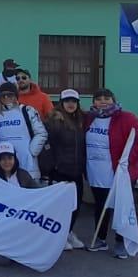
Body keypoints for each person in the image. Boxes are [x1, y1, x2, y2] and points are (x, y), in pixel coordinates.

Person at [84, 88, 138, 260]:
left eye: (107, 98)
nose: (103, 101)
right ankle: (100, 238)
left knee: (121, 207)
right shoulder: (89, 119)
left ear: (113, 100)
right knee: (100, 206)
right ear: (94, 102)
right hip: (96, 172)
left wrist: (127, 160)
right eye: (98, 99)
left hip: (120, 173)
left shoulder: (127, 118)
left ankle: (121, 241)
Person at [39, 88, 88, 251]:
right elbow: (46, 145)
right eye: (67, 101)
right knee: (61, 206)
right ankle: (58, 234)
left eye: (73, 101)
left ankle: (68, 231)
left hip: (77, 169)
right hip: (60, 170)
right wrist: (51, 166)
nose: (70, 104)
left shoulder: (81, 120)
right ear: (61, 103)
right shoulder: (54, 121)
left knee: (76, 204)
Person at [0, 142, 41, 266]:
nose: (7, 162)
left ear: (15, 159)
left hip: (20, 221)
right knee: (0, 261)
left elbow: (38, 193)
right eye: (3, 159)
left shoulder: (23, 175)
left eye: (10, 158)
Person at [0, 83, 48, 180]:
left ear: (15, 96)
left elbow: (41, 133)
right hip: (4, 166)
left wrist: (32, 151)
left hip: (27, 164)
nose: (6, 97)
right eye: (3, 95)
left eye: (10, 94)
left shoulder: (27, 110)